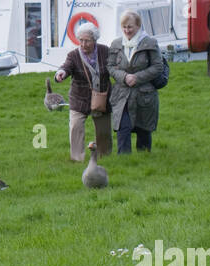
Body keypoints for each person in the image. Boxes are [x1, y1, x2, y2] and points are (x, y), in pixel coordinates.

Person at [53, 23, 112, 162]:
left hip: (101, 97)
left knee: (103, 131)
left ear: (95, 40)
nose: (83, 44)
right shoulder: (73, 55)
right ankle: (77, 158)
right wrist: (60, 73)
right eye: (81, 40)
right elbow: (66, 67)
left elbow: (114, 69)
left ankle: (105, 156)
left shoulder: (105, 51)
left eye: (87, 41)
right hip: (79, 99)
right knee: (75, 127)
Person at [107, 10, 164, 154]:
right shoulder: (116, 44)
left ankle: (144, 158)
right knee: (123, 127)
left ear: (138, 26)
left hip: (144, 94)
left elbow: (158, 67)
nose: (127, 30)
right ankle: (124, 161)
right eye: (124, 27)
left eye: (130, 27)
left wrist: (137, 77)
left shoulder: (150, 43)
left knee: (143, 128)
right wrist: (124, 76)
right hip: (122, 94)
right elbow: (110, 66)